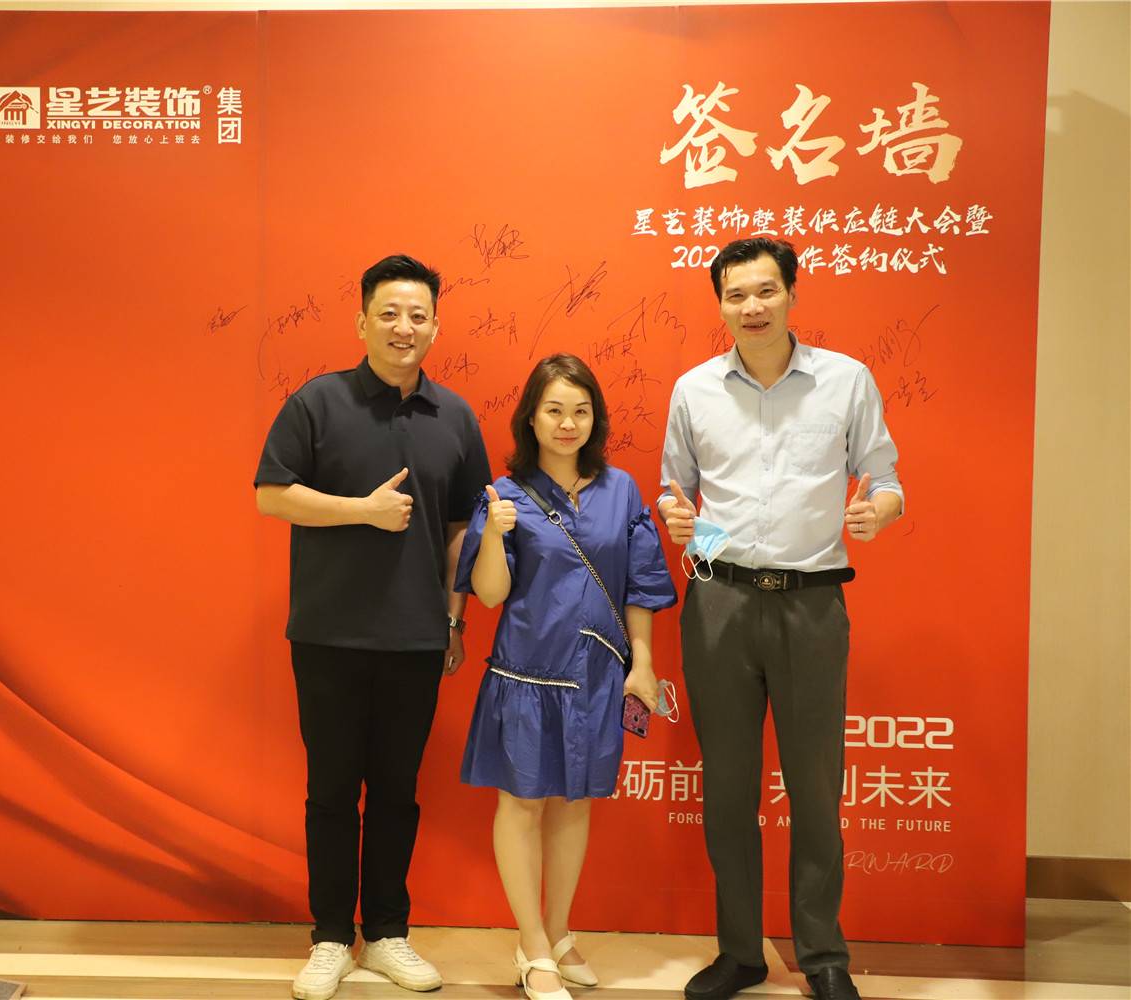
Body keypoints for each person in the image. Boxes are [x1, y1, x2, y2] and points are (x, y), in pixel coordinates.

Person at [658, 238, 904, 1000]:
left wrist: (877, 512)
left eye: (766, 291)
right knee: (728, 791)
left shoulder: (845, 380)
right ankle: (741, 953)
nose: (752, 307)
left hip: (812, 603)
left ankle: (823, 954)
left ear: (793, 294)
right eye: (736, 295)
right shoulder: (694, 390)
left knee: (816, 787)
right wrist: (678, 520)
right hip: (719, 603)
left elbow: (887, 479)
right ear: (721, 305)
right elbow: (675, 491)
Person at [255, 254, 492, 1000]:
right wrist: (362, 510)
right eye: (388, 313)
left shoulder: (455, 417)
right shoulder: (317, 402)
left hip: (417, 638)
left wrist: (454, 616)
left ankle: (387, 933)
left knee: (396, 792)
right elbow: (271, 495)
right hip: (327, 633)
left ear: (436, 327)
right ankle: (330, 938)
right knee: (330, 791)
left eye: (418, 315)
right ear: (361, 322)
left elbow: (463, 525)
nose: (403, 327)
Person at [454, 354, 677, 1000]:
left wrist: (643, 663)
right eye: (553, 410)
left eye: (580, 411)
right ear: (531, 417)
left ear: (595, 419)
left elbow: (641, 583)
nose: (567, 423)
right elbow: (489, 595)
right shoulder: (505, 494)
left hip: (599, 675)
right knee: (522, 803)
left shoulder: (622, 490)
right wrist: (493, 535)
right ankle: (532, 946)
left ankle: (556, 933)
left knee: (576, 801)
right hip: (527, 673)